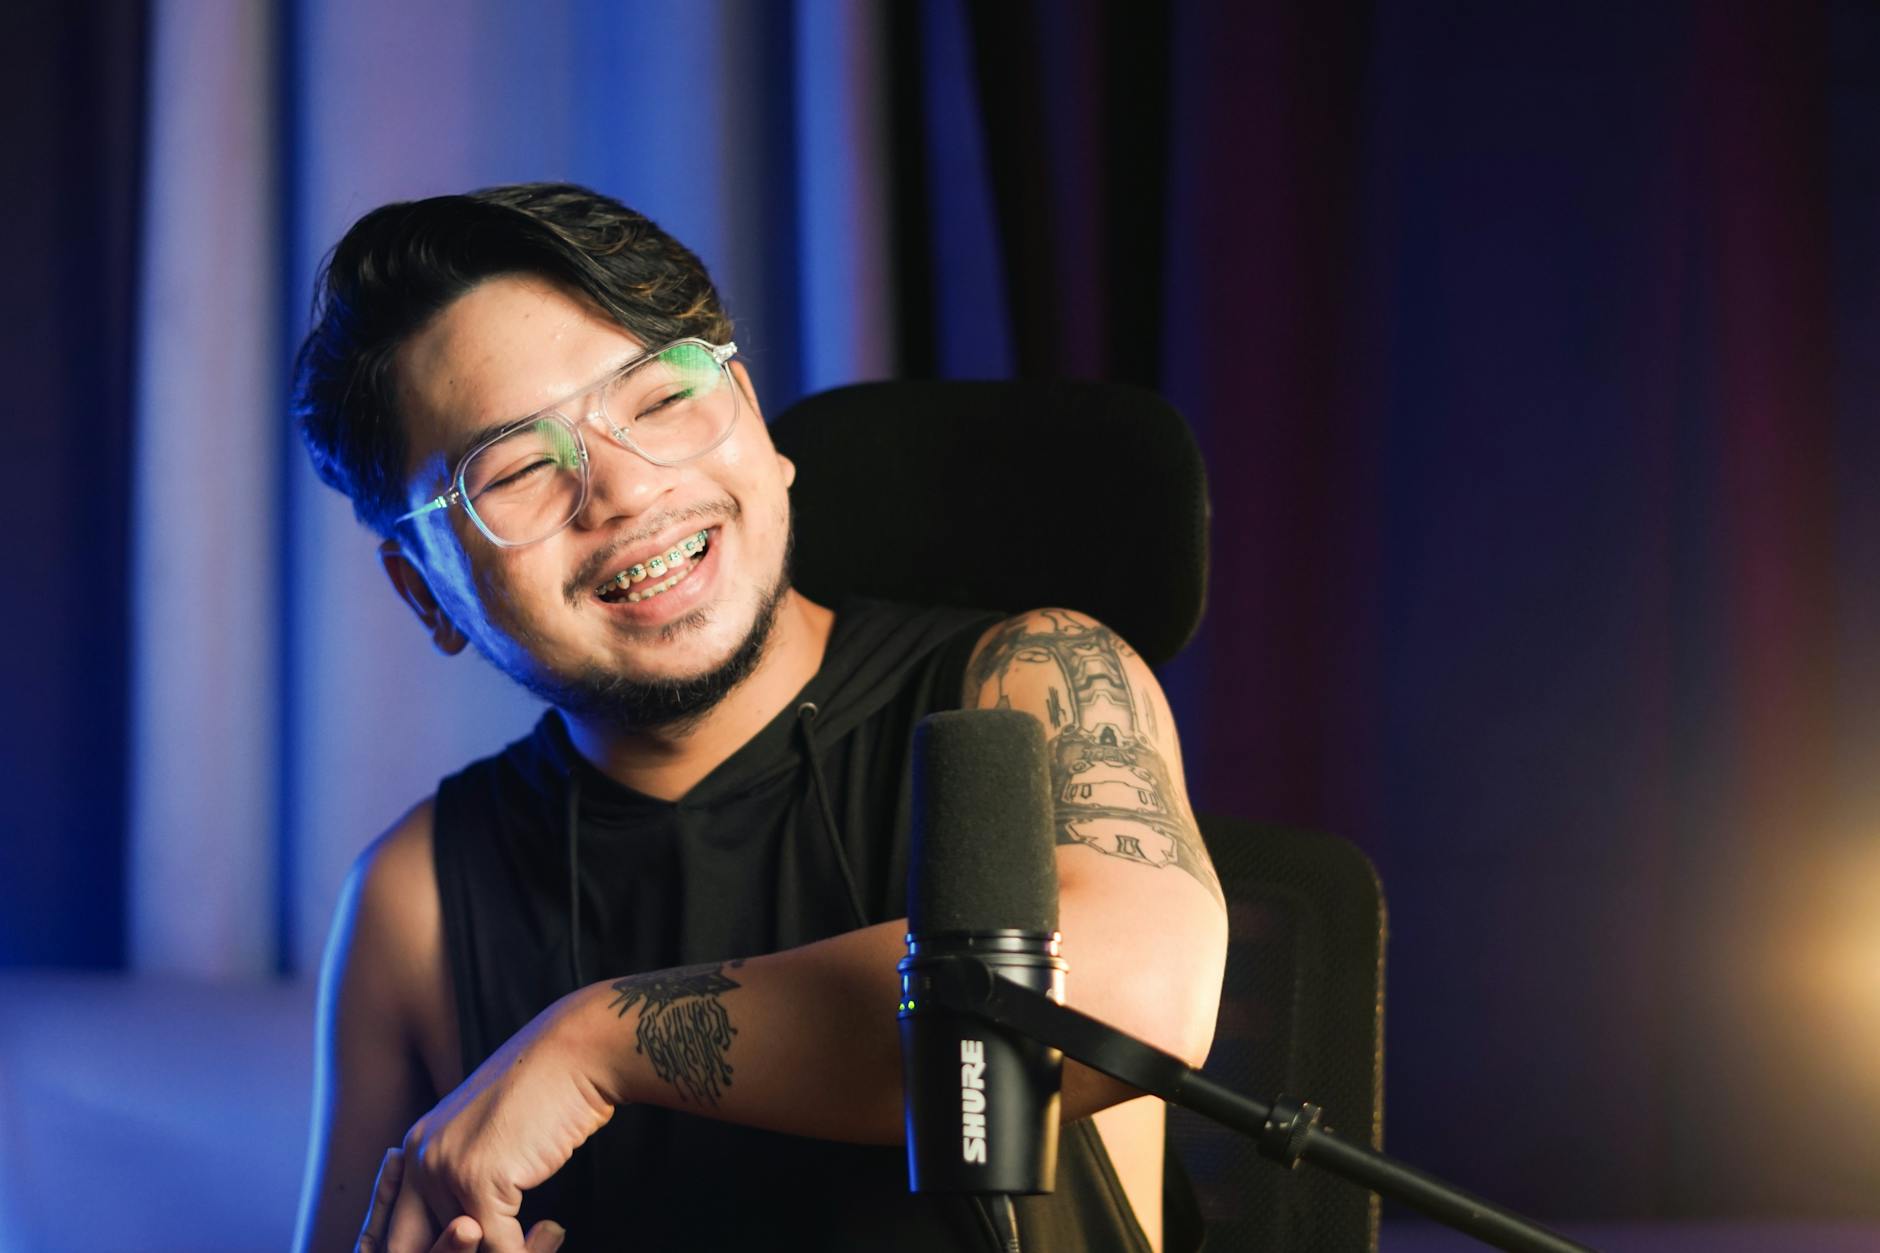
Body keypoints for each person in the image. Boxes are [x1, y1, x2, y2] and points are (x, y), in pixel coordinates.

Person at [288, 183, 1227, 1253]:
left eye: (659, 398)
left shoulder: (1029, 678)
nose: (626, 491)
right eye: (516, 468)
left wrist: (596, 1042)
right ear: (422, 589)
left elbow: (1141, 998)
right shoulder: (418, 895)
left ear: (751, 415)